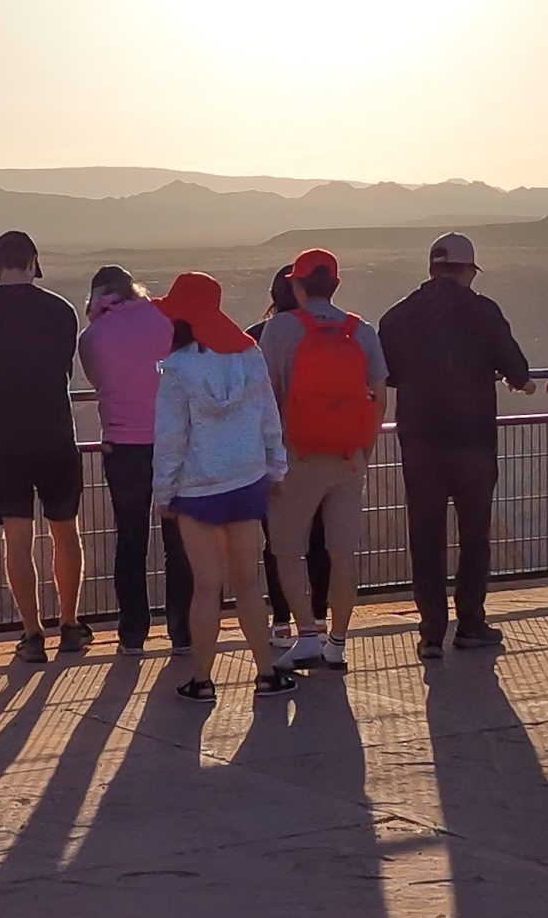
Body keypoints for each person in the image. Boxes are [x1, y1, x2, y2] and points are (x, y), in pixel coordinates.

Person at [377, 233, 532, 658]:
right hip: (473, 444)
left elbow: (387, 374)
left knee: (426, 537)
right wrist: (520, 382)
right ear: (466, 271)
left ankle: (430, 631)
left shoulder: (397, 317)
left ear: (432, 268)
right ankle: (471, 623)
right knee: (474, 535)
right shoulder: (484, 312)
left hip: (420, 444)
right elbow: (517, 370)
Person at [153, 273, 293, 701]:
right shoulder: (249, 355)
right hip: (248, 479)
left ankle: (202, 680)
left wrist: (163, 493)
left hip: (197, 488)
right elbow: (270, 417)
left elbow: (172, 438)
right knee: (248, 583)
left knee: (206, 586)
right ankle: (266, 673)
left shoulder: (177, 370)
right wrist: (276, 468)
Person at [0, 230, 87, 664]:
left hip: (5, 438)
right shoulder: (60, 311)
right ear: (34, 262)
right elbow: (65, 367)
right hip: (55, 433)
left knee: (17, 538)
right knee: (65, 530)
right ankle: (70, 624)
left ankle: (32, 633)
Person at [257, 248, 387, 670]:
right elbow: (380, 396)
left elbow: (269, 395)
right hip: (349, 457)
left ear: (296, 284)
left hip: (297, 454)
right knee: (342, 552)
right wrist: (364, 448)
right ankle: (338, 642)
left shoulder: (278, 330)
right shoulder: (361, 330)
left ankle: (307, 635)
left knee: (286, 550)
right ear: (336, 284)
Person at [78, 265, 187, 653]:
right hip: (172, 443)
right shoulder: (164, 320)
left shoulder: (91, 336)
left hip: (123, 446)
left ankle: (133, 634)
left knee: (130, 539)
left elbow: (98, 379)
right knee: (179, 540)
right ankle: (183, 631)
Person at [255, 266, 334, 647]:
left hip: (276, 450)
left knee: (277, 540)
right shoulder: (334, 330)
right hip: (325, 446)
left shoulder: (257, 337)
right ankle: (320, 617)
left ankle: (282, 621)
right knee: (319, 537)